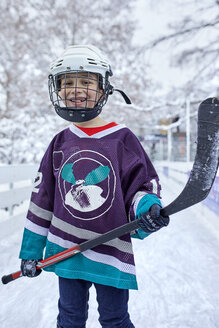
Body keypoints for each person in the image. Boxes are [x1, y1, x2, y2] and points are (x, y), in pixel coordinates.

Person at [19, 45, 169, 328]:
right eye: (68, 83)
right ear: (57, 89)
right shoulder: (59, 143)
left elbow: (141, 188)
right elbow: (42, 201)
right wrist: (30, 252)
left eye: (86, 81)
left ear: (103, 88)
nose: (76, 90)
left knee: (114, 318)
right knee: (69, 318)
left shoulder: (121, 139)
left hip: (109, 249)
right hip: (68, 250)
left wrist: (148, 207)